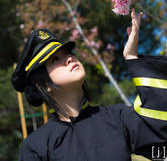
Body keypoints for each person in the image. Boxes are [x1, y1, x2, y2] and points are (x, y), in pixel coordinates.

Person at [12, 9, 167, 161]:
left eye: (67, 53)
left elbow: (159, 130)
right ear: (44, 85)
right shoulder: (36, 146)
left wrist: (132, 58)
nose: (69, 58)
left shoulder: (117, 118)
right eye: (55, 60)